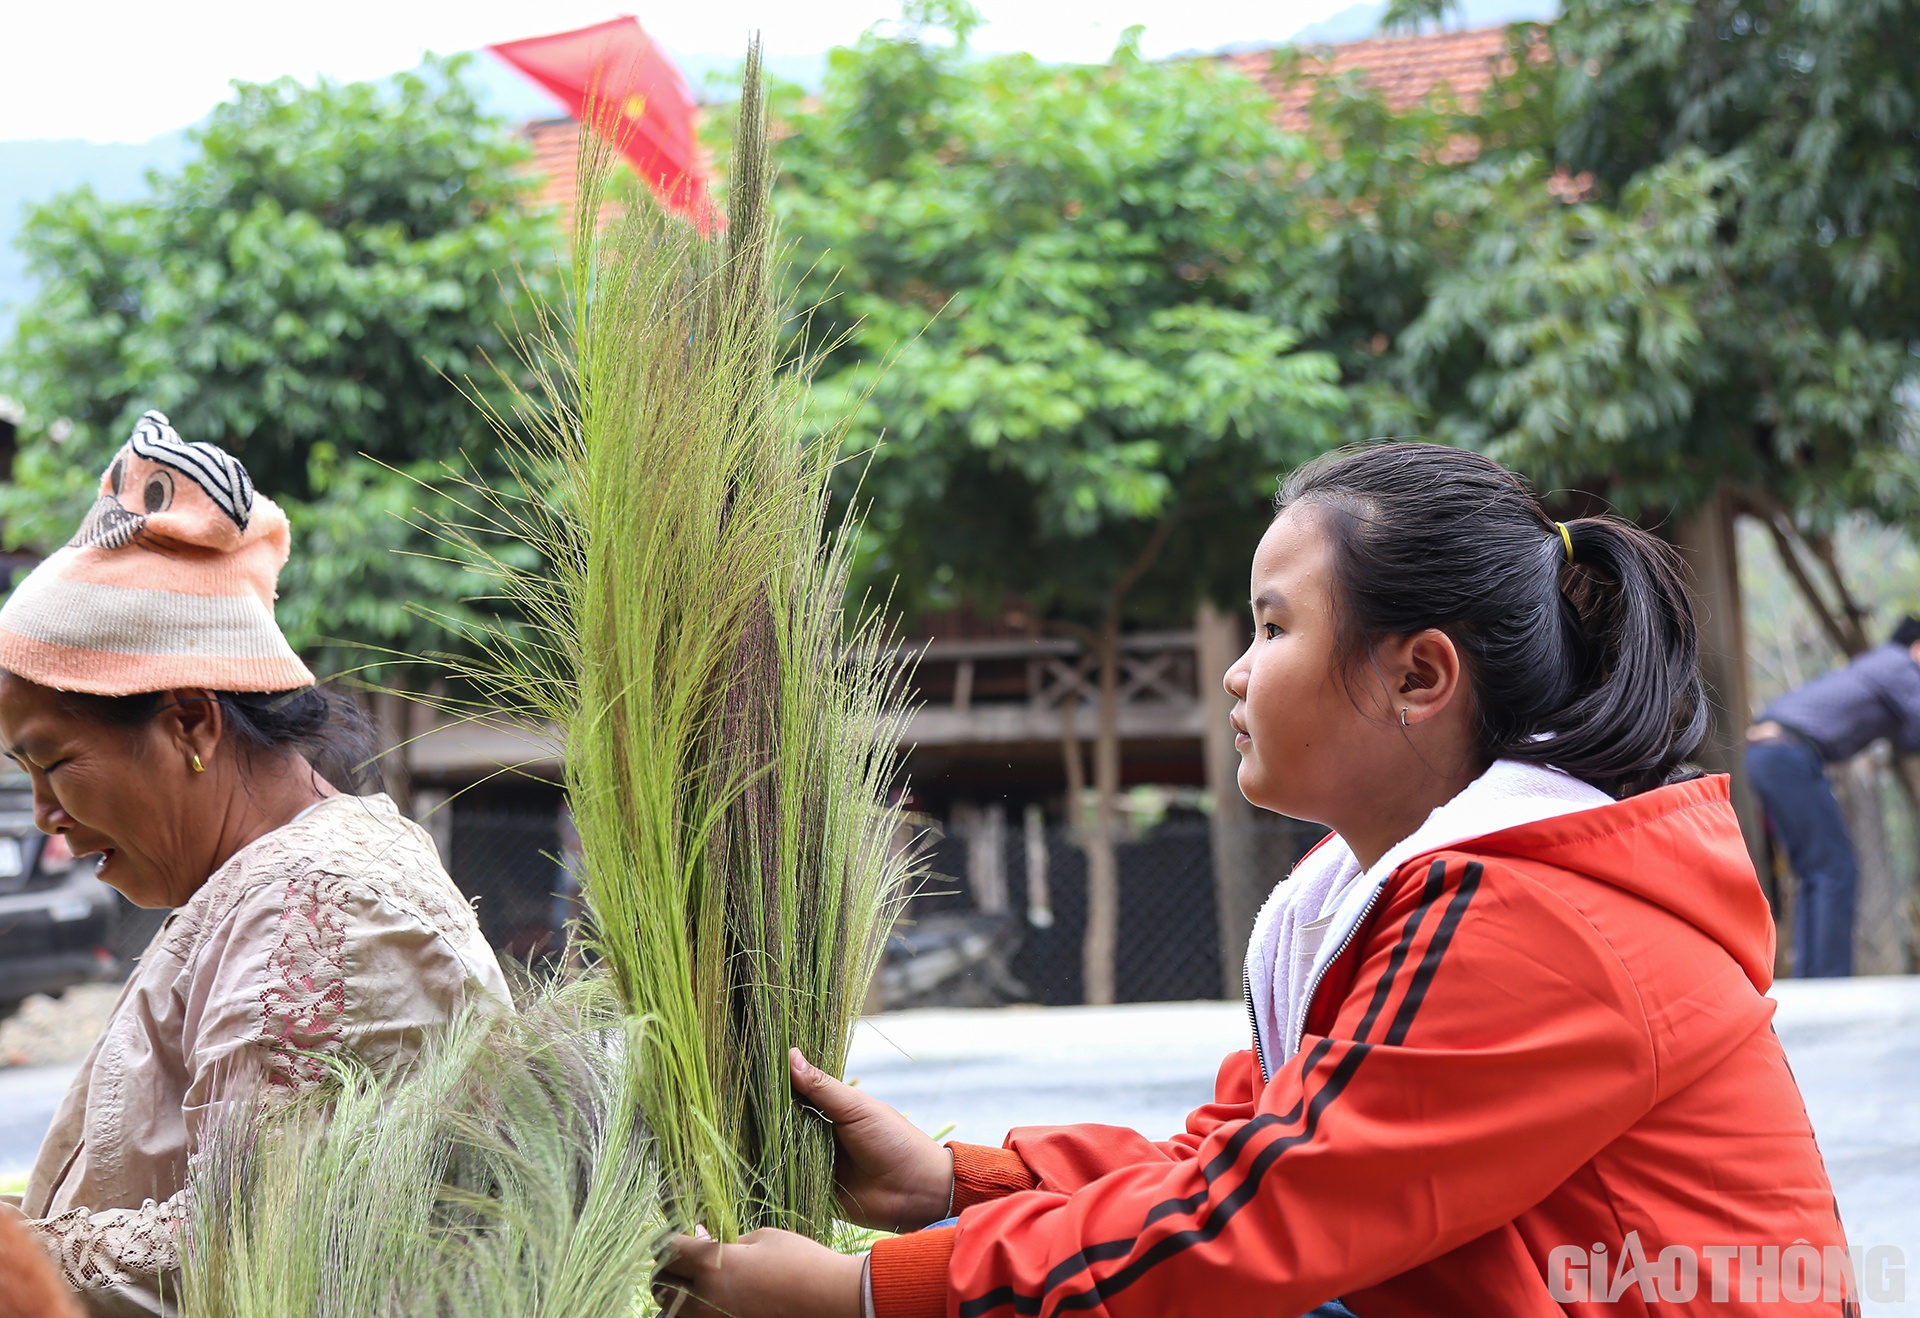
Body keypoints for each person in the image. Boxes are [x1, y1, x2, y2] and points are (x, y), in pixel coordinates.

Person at [654, 444, 1848, 1317]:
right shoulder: (1390, 898)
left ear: (1419, 677)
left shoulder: (1534, 918)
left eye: (1274, 629)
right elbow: (1240, 1160)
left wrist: (867, 1295)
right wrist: (953, 1182)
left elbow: (1261, 1218)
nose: (1236, 672)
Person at [0, 412, 510, 1316]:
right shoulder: (267, 890)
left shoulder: (324, 905)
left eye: (55, 763)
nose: (45, 814)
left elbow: (255, 1247)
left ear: (191, 722)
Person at [1746, 617, 1920, 978]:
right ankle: (1827, 980)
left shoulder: (1880, 667)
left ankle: (1813, 979)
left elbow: (1909, 739)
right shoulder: (1898, 663)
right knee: (1835, 869)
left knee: (1817, 871)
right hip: (1786, 753)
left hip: (1771, 753)